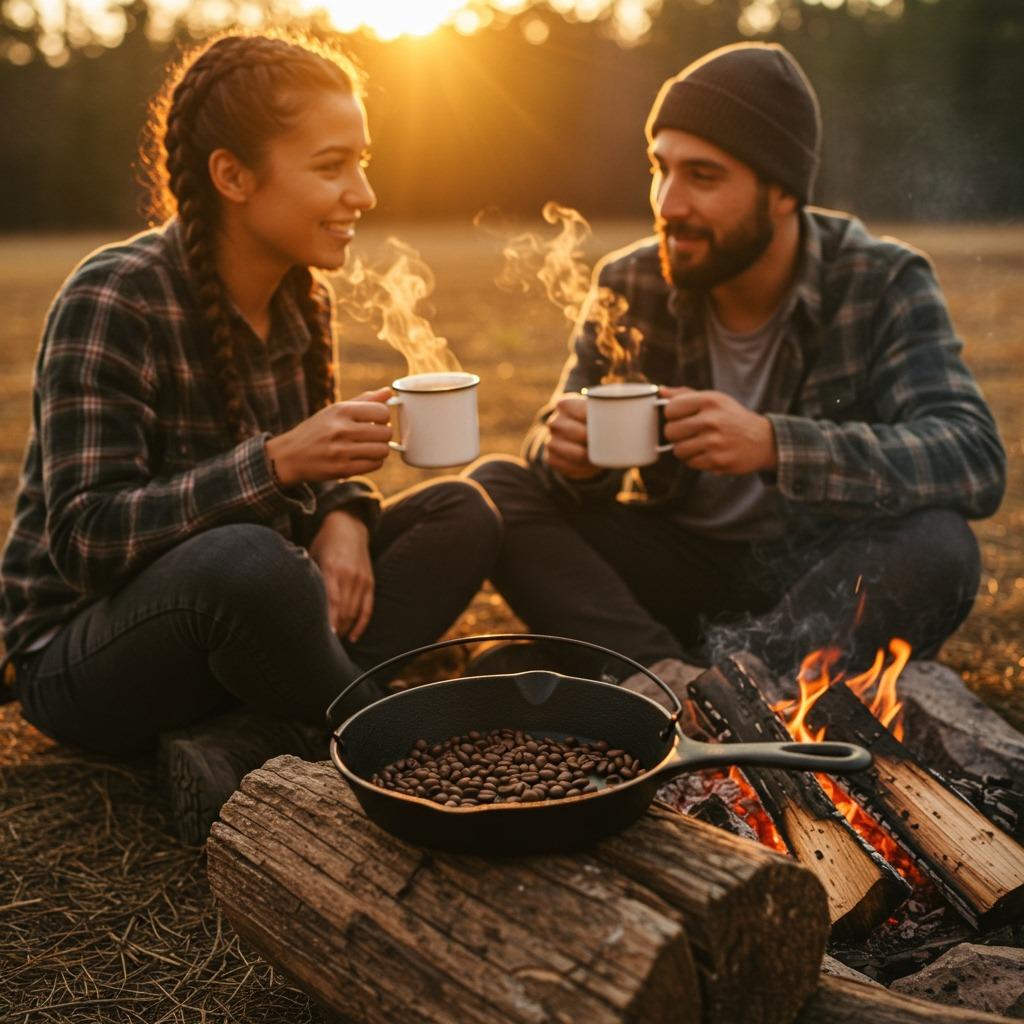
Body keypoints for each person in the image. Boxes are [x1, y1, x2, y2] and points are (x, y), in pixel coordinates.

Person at [0, 33, 501, 841]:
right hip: (85, 657)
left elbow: (318, 472)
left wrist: (343, 514)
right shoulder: (113, 297)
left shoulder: (305, 300)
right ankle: (404, 746)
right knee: (249, 561)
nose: (363, 193)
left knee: (464, 512)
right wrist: (275, 466)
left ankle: (250, 737)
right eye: (332, 166)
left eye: (361, 162)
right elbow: (84, 538)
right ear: (232, 176)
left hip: (257, 617)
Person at [469, 42, 1005, 684]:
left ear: (782, 194)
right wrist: (568, 459)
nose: (668, 204)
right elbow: (549, 455)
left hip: (816, 584)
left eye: (703, 176)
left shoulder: (880, 279)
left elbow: (971, 454)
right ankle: (672, 679)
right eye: (659, 169)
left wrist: (776, 445)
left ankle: (724, 682)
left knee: (941, 547)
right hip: (672, 567)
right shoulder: (631, 282)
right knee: (497, 490)